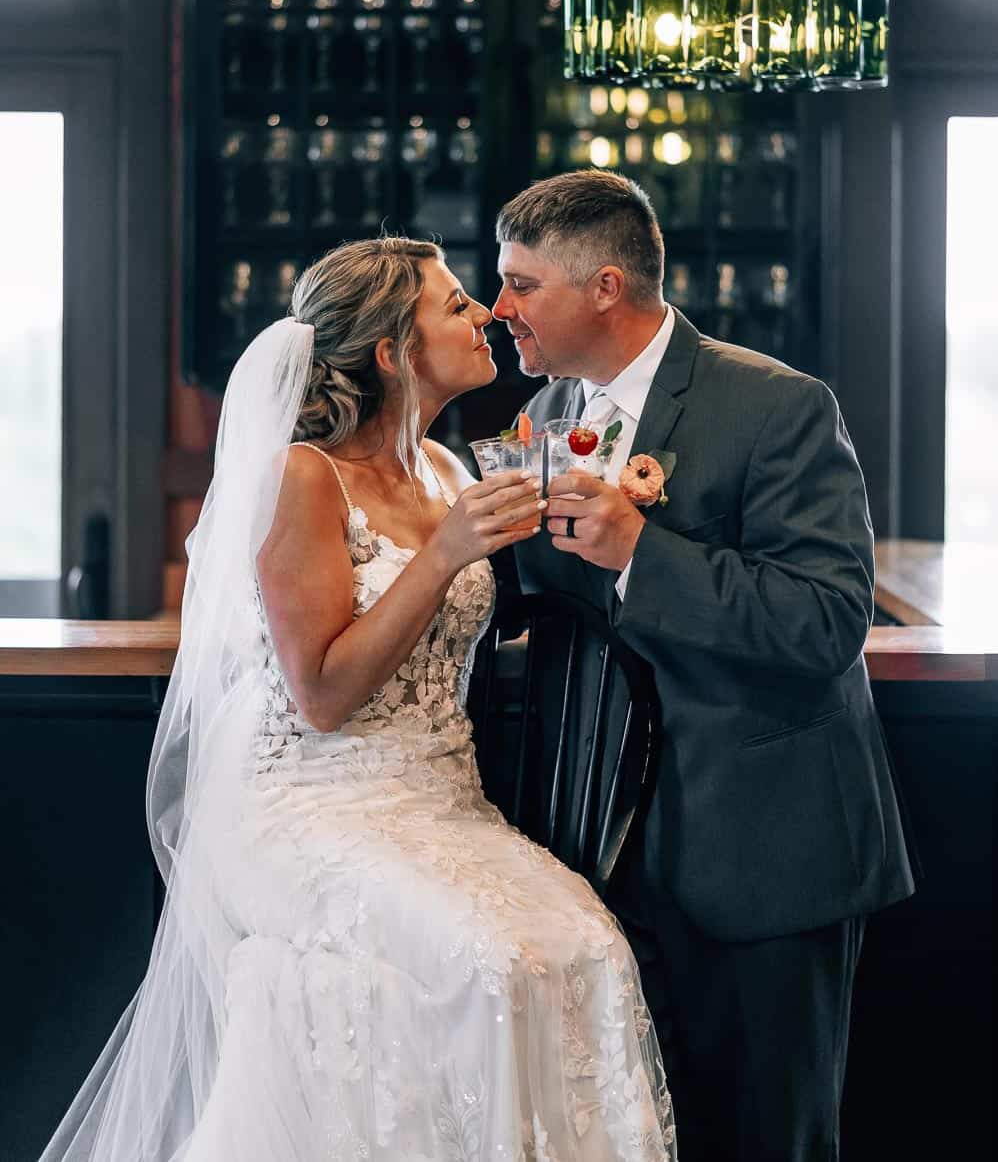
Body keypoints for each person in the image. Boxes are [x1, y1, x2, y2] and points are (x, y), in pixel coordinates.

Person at [40, 236, 675, 1162]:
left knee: (588, 949)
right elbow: (323, 696)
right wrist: (447, 553)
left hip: (441, 805)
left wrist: (612, 498)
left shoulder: (451, 472)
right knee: (490, 963)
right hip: (311, 804)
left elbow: (488, 617)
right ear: (390, 350)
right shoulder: (305, 477)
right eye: (456, 305)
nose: (486, 314)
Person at [493, 169, 915, 1162]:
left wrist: (640, 549)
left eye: (521, 284)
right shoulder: (545, 420)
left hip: (760, 855)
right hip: (599, 864)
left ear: (603, 287)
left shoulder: (776, 406)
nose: (499, 309)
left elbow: (823, 623)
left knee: (766, 1138)